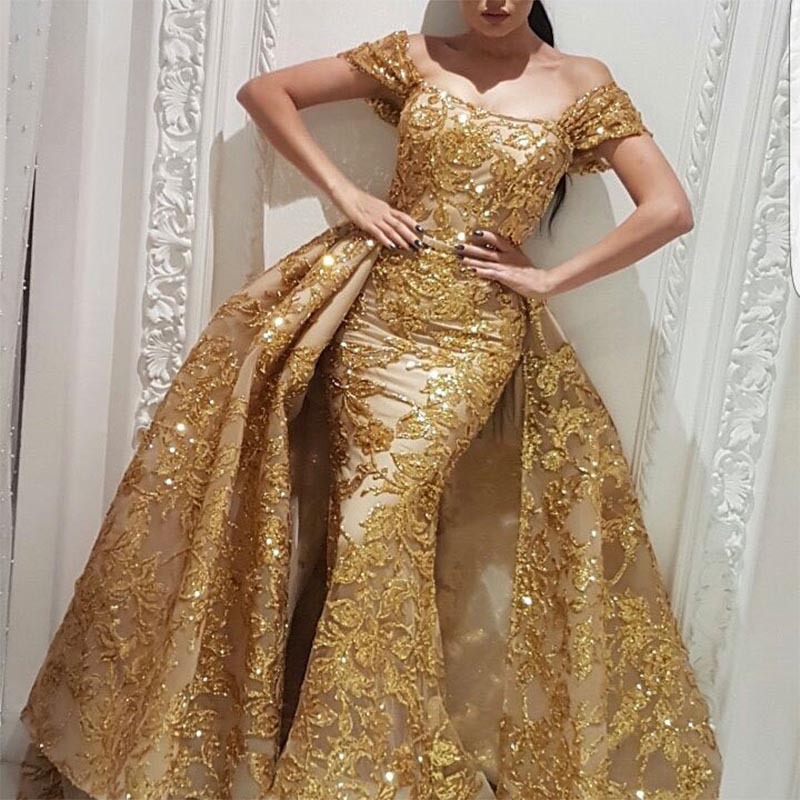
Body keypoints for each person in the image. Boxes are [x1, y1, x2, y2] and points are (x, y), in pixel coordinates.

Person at [17, 2, 724, 798]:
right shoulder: (417, 57)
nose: (493, 2)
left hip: (474, 340)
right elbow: (265, 93)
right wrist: (350, 196)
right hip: (378, 322)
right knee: (361, 532)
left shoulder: (581, 82)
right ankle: (353, 757)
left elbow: (669, 208)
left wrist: (549, 277)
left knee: (378, 523)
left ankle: (357, 767)